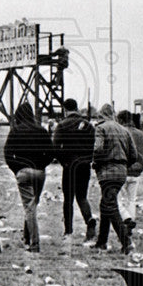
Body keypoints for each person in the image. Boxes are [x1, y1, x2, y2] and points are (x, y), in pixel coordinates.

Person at [4, 102, 54, 252]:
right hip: (39, 173)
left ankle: (34, 243)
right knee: (32, 206)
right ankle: (26, 236)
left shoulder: (15, 131)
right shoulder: (41, 130)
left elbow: (7, 154)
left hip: (23, 172)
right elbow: (51, 154)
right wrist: (41, 166)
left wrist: (17, 169)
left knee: (29, 208)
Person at [91, 103, 137, 254]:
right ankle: (101, 241)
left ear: (101, 115)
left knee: (110, 206)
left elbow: (97, 148)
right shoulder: (124, 130)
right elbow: (134, 155)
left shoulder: (100, 128)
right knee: (106, 204)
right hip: (122, 171)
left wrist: (96, 162)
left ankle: (126, 243)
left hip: (107, 171)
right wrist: (123, 164)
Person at [53, 98, 97, 241]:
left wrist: (63, 162)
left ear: (65, 110)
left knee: (68, 199)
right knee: (82, 197)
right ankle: (89, 219)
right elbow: (94, 145)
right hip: (84, 165)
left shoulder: (62, 125)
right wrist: (88, 159)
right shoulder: (88, 125)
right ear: (77, 108)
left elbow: (55, 147)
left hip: (69, 166)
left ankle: (68, 231)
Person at [117, 110, 143, 235]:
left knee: (116, 199)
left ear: (120, 120)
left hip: (123, 170)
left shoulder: (121, 133)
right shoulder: (141, 134)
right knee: (132, 199)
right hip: (137, 171)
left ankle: (126, 218)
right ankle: (130, 223)